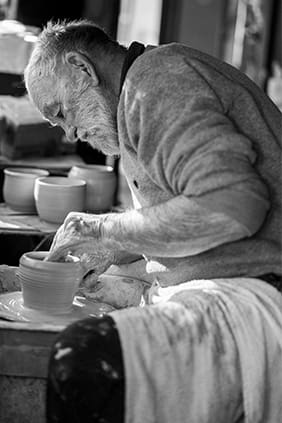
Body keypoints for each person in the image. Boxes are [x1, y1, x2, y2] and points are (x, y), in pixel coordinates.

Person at [24, 20, 282, 423]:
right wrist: (112, 245)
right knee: (92, 288)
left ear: (82, 68)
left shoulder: (155, 82)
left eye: (61, 113)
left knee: (83, 358)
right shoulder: (142, 91)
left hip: (260, 288)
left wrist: (100, 228)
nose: (71, 133)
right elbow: (188, 207)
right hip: (226, 274)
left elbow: (232, 206)